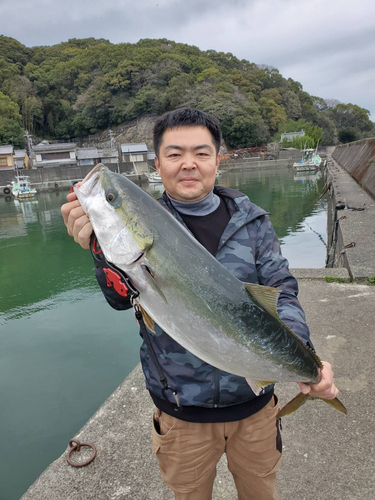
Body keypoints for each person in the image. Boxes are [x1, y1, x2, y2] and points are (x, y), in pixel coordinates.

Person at [61, 108, 339, 500]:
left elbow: (282, 290)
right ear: (157, 163)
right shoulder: (142, 223)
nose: (188, 163)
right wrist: (98, 250)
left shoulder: (253, 222)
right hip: (181, 414)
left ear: (217, 160)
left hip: (255, 409)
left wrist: (303, 356)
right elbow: (120, 300)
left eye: (201, 153)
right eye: (174, 154)